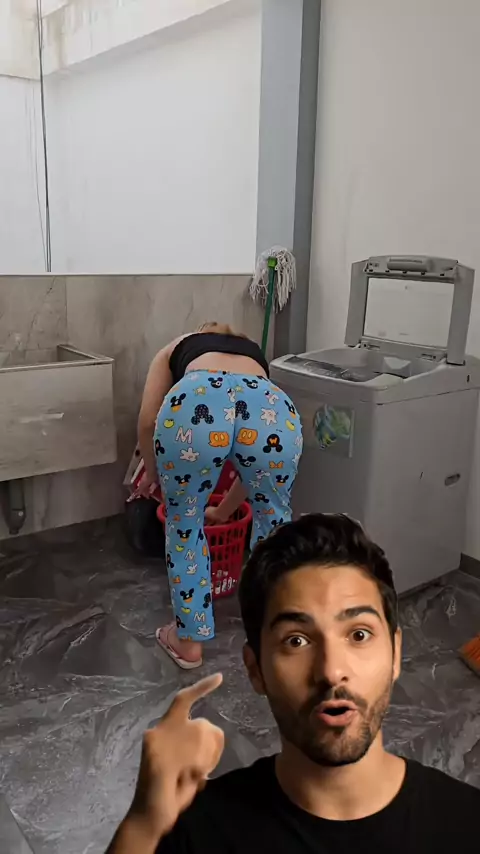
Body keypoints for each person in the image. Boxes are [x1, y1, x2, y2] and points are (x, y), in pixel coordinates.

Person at [107, 514, 480, 853]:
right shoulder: (197, 830)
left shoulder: (466, 823)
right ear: (255, 669)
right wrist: (143, 823)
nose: (331, 671)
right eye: (296, 641)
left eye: (359, 634)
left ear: (396, 654)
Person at [136, 322, 303, 669]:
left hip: (196, 402)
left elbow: (148, 420)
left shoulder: (177, 344)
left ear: (199, 333)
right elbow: (250, 465)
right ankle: (278, 638)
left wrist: (152, 474)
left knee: (184, 522)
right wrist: (225, 510)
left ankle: (188, 641)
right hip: (271, 406)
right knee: (273, 522)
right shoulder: (253, 357)